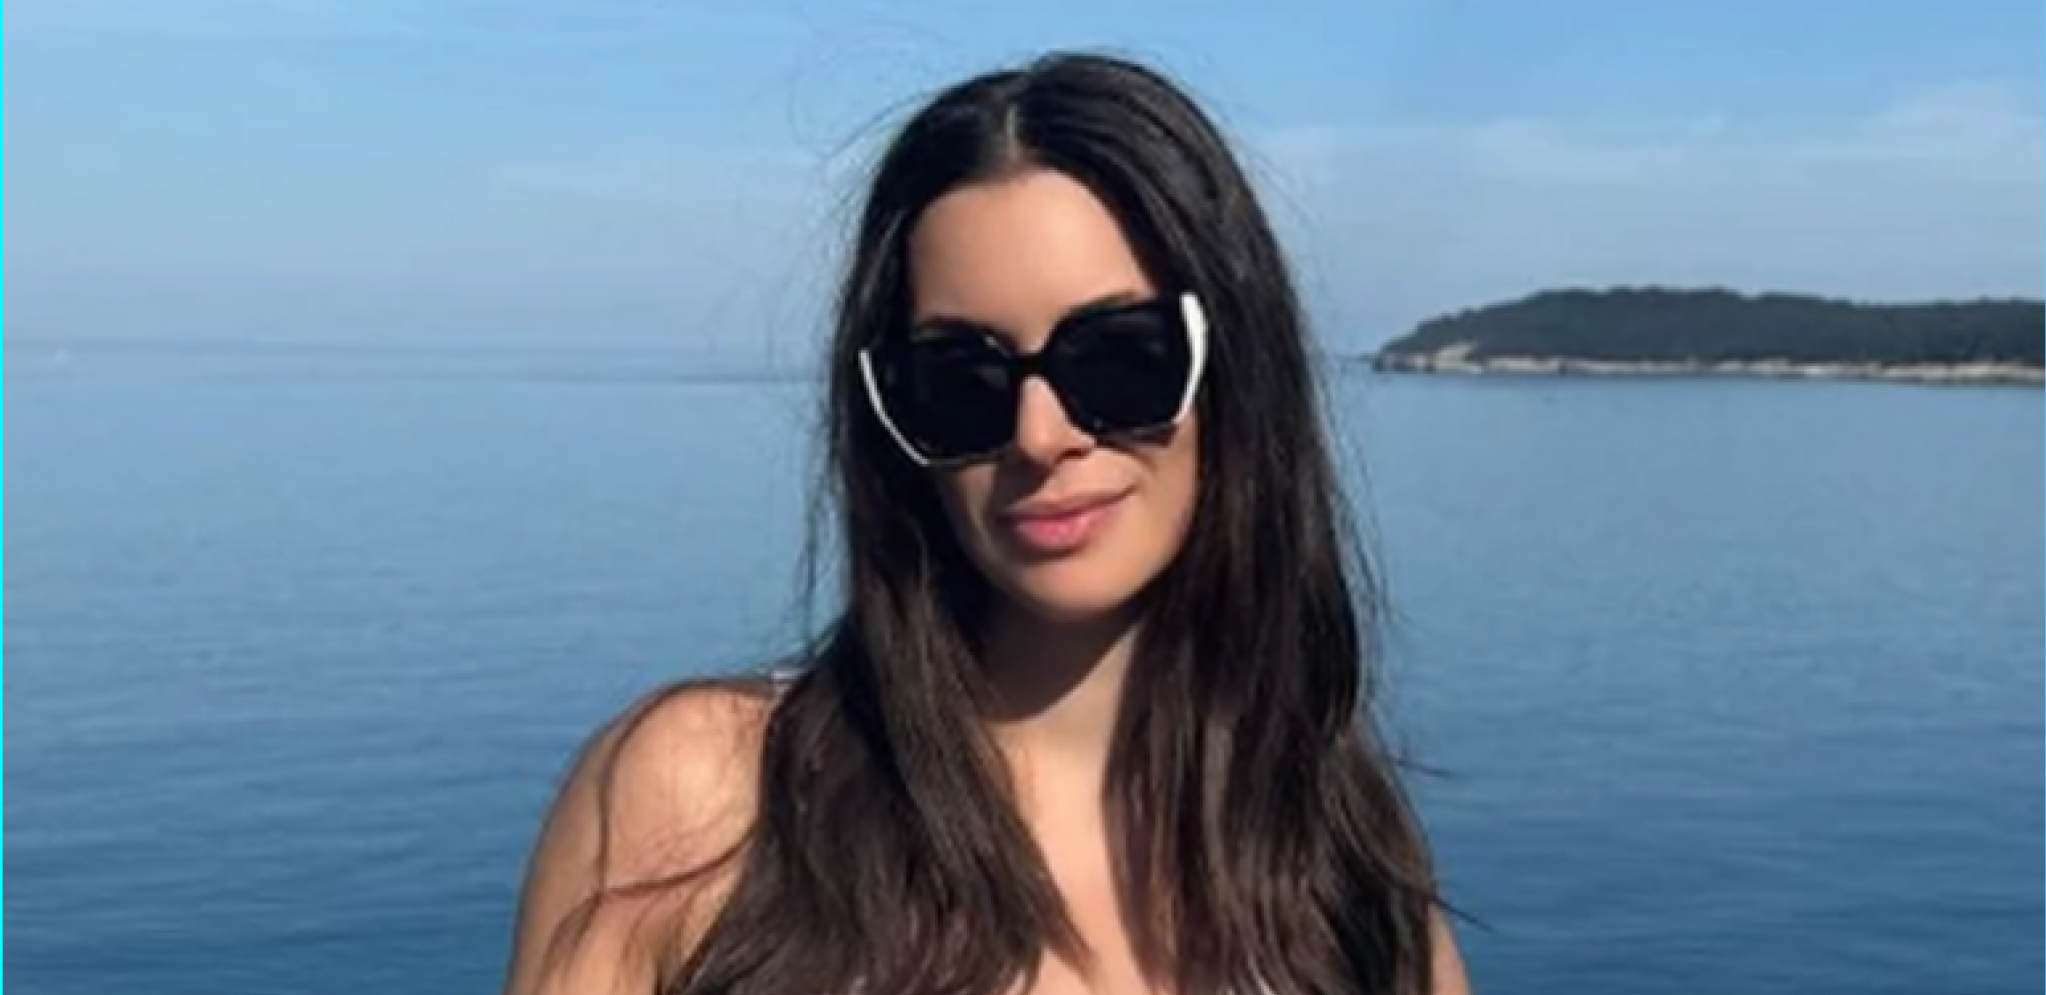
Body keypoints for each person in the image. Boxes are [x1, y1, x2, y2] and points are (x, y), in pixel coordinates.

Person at [500, 50, 1472, 995]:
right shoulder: (706, 804)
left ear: (1237, 372)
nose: (1039, 435)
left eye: (1119, 359)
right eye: (962, 379)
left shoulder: (1331, 845)